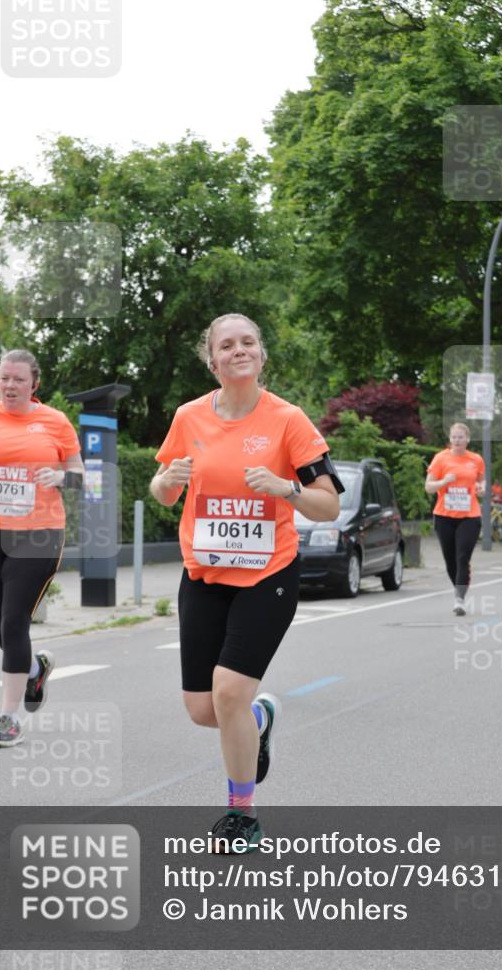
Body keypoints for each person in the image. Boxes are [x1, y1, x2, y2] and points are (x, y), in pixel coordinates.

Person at [150, 313, 342, 852]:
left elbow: (328, 505)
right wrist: (166, 480)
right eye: (227, 345)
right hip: (205, 574)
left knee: (229, 691)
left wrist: (287, 488)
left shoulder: (288, 420)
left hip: (268, 575)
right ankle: (261, 719)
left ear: (261, 354)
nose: (239, 350)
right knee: (204, 709)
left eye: (248, 342)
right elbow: (164, 490)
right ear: (212, 361)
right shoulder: (189, 417)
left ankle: (242, 815)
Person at [0, 350, 83, 747]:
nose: (9, 386)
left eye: (18, 379)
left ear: (34, 384)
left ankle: (8, 717)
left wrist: (60, 476)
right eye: (4, 378)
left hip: (39, 532)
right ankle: (34, 669)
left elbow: (81, 477)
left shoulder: (54, 422)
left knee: (14, 620)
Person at [425, 423, 485, 616]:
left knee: (462, 557)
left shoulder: (475, 459)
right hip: (444, 516)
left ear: (467, 439)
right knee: (450, 559)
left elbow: (481, 482)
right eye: (454, 437)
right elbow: (428, 487)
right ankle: (459, 588)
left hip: (469, 516)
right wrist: (443, 481)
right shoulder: (440, 459)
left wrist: (481, 489)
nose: (457, 441)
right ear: (450, 439)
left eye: (461, 437)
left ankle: (459, 599)